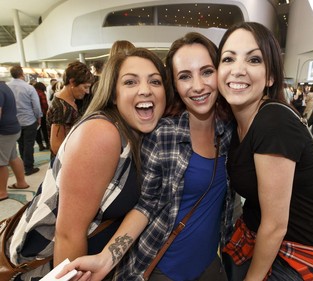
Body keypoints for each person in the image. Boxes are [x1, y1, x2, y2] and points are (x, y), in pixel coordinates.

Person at [58, 32, 235, 281]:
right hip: (163, 268)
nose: (197, 85)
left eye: (206, 71)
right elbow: (147, 205)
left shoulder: (229, 129)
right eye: (185, 76)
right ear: (175, 84)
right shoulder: (165, 133)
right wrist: (107, 257)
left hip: (211, 264)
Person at [6, 48, 170, 280]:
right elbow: (68, 236)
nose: (145, 90)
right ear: (114, 94)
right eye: (131, 82)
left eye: (155, 81)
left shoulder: (139, 133)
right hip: (52, 265)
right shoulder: (101, 132)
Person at [216, 22, 313, 280]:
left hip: (305, 251)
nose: (237, 70)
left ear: (271, 76)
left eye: (253, 59)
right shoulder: (235, 120)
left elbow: (275, 226)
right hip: (258, 233)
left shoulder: (272, 121)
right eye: (228, 58)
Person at [46, 61, 94, 161]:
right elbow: (56, 147)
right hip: (65, 161)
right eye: (85, 87)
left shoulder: (68, 102)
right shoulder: (62, 107)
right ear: (72, 82)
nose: (87, 91)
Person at [7, 65, 43, 176]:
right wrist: (39, 116)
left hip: (14, 121)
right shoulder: (28, 88)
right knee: (29, 144)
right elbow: (36, 105)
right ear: (22, 74)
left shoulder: (7, 87)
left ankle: (23, 165)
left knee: (21, 144)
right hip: (29, 120)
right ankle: (28, 167)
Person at [0, 82, 30, 201]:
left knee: (0, 162)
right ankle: (21, 182)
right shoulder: (4, 86)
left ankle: (1, 192)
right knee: (13, 157)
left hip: (4, 131)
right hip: (13, 128)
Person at [33, 82, 50, 151]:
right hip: (43, 114)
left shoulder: (32, 93)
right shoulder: (41, 93)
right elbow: (45, 104)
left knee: (37, 131)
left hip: (34, 115)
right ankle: (48, 144)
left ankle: (40, 145)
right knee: (45, 130)